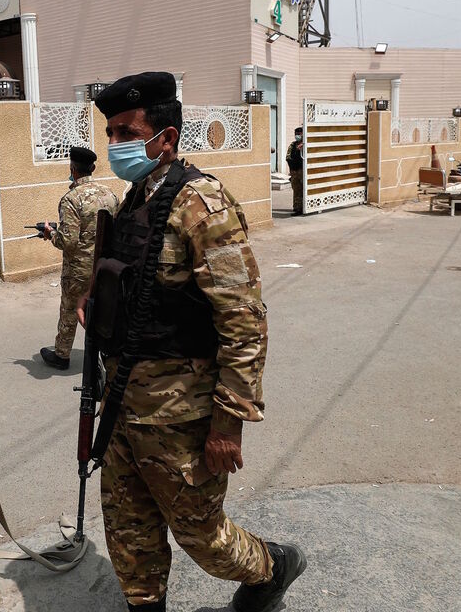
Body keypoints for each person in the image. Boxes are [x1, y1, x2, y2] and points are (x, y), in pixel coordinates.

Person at [84, 72, 303, 612]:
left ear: (167, 135)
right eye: (110, 133)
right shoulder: (136, 197)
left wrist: (229, 419)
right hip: (122, 401)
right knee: (128, 528)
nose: (115, 145)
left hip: (179, 412)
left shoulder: (201, 203)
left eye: (126, 132)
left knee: (201, 534)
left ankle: (272, 567)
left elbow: (244, 319)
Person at [39, 146, 118, 370]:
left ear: (73, 169)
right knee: (103, 308)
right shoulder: (110, 194)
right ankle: (109, 352)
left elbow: (68, 242)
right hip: (105, 267)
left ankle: (62, 355)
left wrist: (50, 233)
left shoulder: (71, 199)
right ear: (92, 168)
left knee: (70, 309)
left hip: (79, 269)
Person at [286, 126, 305, 214]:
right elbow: (288, 157)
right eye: (296, 134)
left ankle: (304, 207)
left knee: (304, 189)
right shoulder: (293, 145)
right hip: (295, 171)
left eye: (299, 134)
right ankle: (297, 208)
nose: (297, 136)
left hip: (303, 171)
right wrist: (292, 171)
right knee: (296, 190)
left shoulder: (306, 144)